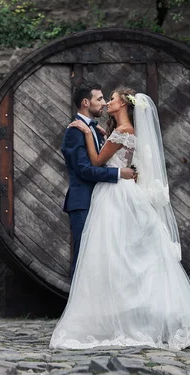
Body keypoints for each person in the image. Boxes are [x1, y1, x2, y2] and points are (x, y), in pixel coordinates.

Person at [50, 88, 190, 350]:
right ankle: (118, 318)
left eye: (112, 99)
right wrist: (98, 140)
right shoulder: (110, 131)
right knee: (119, 259)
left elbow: (96, 162)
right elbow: (93, 165)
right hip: (115, 195)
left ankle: (118, 321)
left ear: (124, 105)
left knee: (114, 259)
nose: (107, 102)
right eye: (102, 99)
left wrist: (92, 136)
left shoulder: (115, 132)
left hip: (114, 197)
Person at [61, 81, 135, 277]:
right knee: (84, 259)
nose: (104, 103)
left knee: (99, 259)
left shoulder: (95, 129)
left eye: (106, 99)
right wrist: (119, 174)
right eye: (100, 99)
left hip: (100, 201)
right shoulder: (75, 131)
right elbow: (84, 170)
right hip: (83, 202)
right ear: (86, 102)